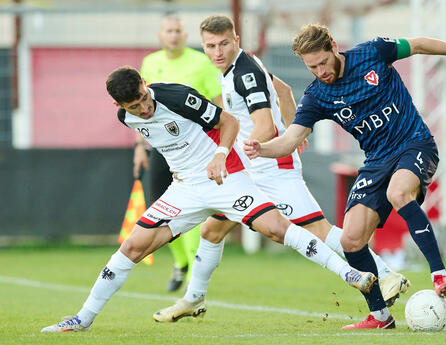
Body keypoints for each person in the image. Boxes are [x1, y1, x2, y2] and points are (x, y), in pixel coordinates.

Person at [41, 66, 375, 333]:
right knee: (132, 247)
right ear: (118, 106)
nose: (143, 108)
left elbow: (227, 121)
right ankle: (82, 319)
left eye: (143, 98)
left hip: (225, 177)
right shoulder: (125, 117)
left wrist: (219, 155)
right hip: (185, 189)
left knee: (275, 228)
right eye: (133, 106)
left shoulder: (175, 96)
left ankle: (350, 275)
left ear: (145, 83)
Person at [244, 24, 446, 329]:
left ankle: (439, 274)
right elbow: (290, 140)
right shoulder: (317, 96)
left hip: (414, 143)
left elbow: (420, 43)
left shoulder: (373, 52)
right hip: (376, 161)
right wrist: (260, 149)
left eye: (323, 62)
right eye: (311, 67)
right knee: (351, 239)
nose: (320, 71)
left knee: (398, 194)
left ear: (333, 46)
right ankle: (380, 317)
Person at [152, 15, 410, 323]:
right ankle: (193, 298)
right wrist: (294, 131)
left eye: (223, 44)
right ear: (203, 46)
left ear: (236, 40)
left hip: (270, 168)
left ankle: (387, 274)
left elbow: (262, 126)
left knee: (317, 230)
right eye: (210, 46)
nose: (217, 51)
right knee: (211, 230)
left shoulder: (244, 74)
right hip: (252, 170)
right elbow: (285, 91)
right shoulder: (238, 67)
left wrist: (251, 147)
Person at [136, 14, 223, 292]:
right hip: (162, 148)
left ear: (185, 36)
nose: (173, 35)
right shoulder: (150, 63)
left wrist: (222, 144)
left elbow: (218, 101)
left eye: (178, 31)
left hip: (195, 149)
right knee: (160, 206)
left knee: (193, 207)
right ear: (161, 36)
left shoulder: (200, 62)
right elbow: (138, 109)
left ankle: (193, 272)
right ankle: (181, 262)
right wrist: (140, 147)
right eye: (168, 31)